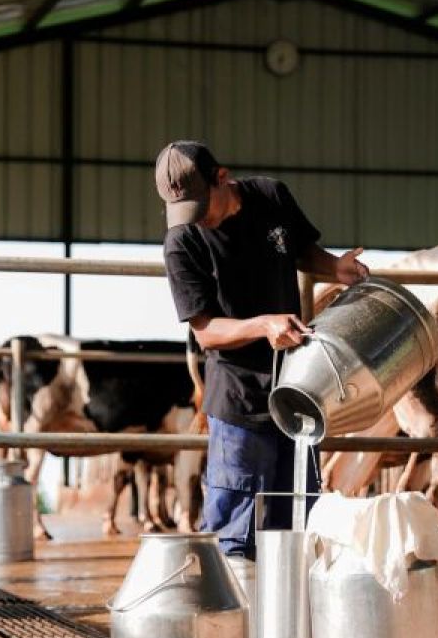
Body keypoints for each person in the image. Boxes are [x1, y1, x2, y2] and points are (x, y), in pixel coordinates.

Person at [157, 140, 368, 563]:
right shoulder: (182, 242)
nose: (198, 221)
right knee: (233, 532)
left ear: (222, 178)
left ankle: (288, 627)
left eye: (202, 207)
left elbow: (301, 251)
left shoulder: (271, 196)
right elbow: (206, 332)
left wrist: (335, 268)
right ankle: (231, 628)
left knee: (298, 524)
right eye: (186, 213)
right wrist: (263, 324)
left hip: (298, 390)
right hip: (240, 400)